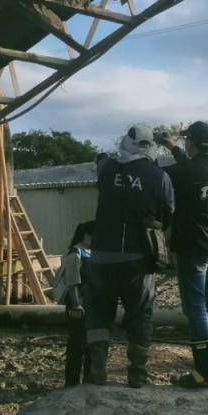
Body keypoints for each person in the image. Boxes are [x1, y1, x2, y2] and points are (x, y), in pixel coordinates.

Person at [84, 125, 174, 388]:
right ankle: (137, 374)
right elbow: (167, 214)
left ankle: (97, 371)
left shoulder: (107, 169)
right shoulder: (159, 176)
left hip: (101, 255)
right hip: (138, 258)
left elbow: (100, 160)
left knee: (99, 313)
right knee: (140, 313)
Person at [159, 122, 208, 388]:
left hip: (193, 246)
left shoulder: (188, 171)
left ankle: (203, 372)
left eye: (186, 141)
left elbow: (159, 174)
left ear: (193, 143)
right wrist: (171, 147)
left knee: (195, 307)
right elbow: (189, 168)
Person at [53, 221, 96, 386]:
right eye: (92, 235)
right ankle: (71, 381)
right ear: (84, 235)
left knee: (90, 343)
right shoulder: (75, 254)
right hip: (77, 304)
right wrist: (77, 305)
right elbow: (73, 283)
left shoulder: (89, 252)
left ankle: (88, 378)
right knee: (77, 344)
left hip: (90, 303)